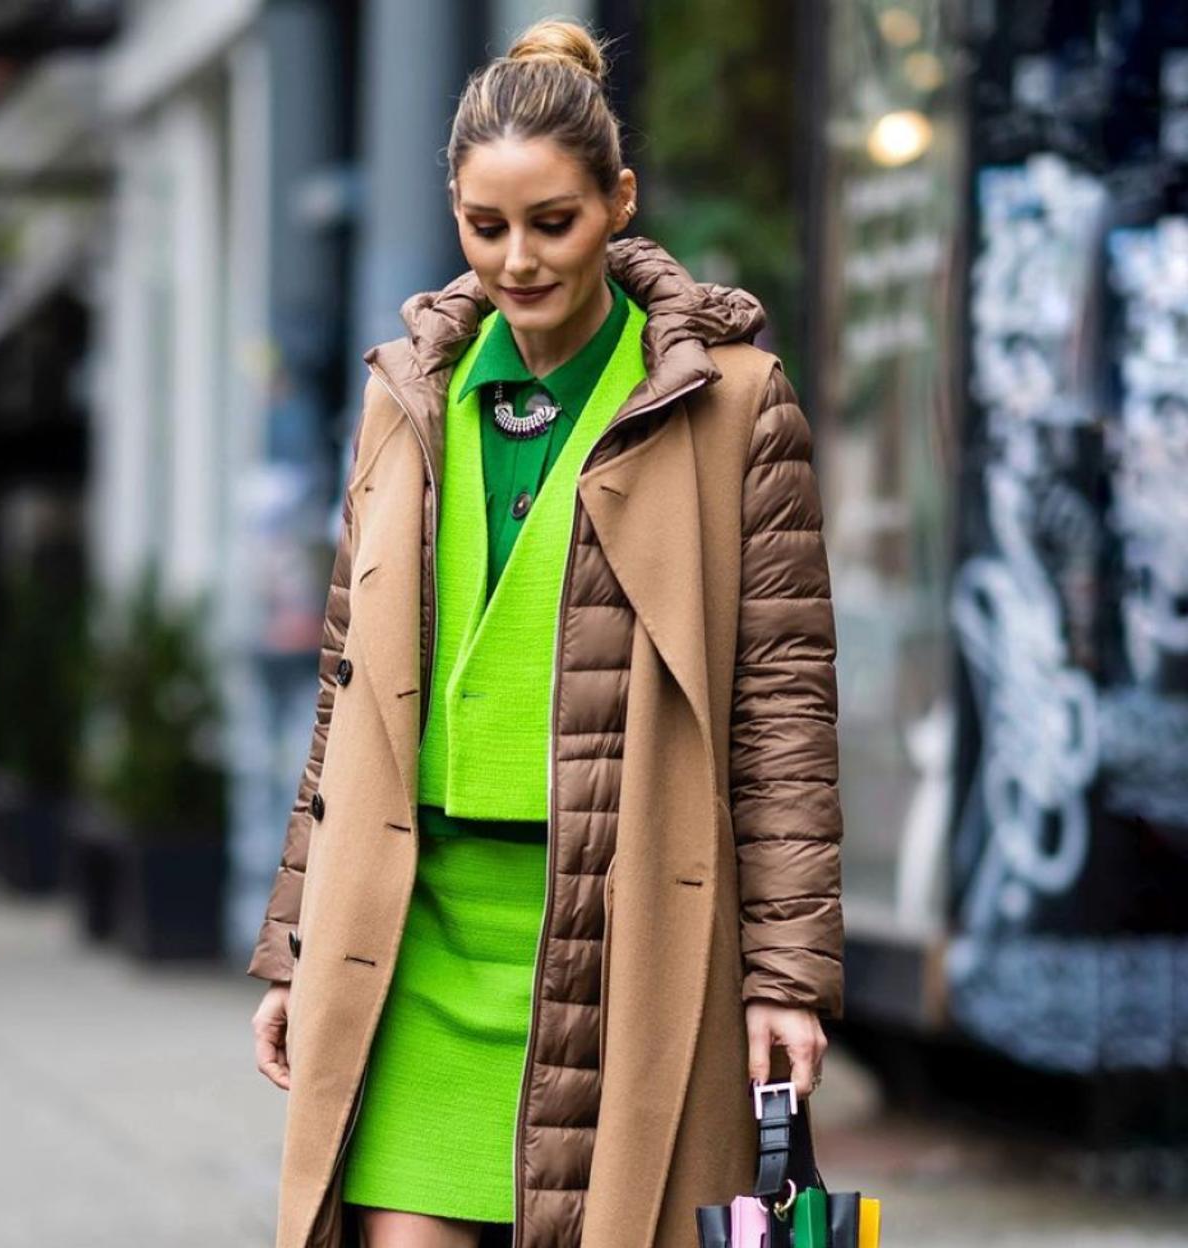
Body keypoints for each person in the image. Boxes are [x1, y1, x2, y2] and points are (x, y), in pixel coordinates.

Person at [250, 17, 843, 1248]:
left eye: (553, 222)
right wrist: (294, 943)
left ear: (619, 202)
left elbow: (782, 708)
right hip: (414, 940)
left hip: (630, 933)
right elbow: (344, 690)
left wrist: (785, 975)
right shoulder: (406, 395)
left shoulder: (729, 403)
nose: (517, 261)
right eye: (486, 226)